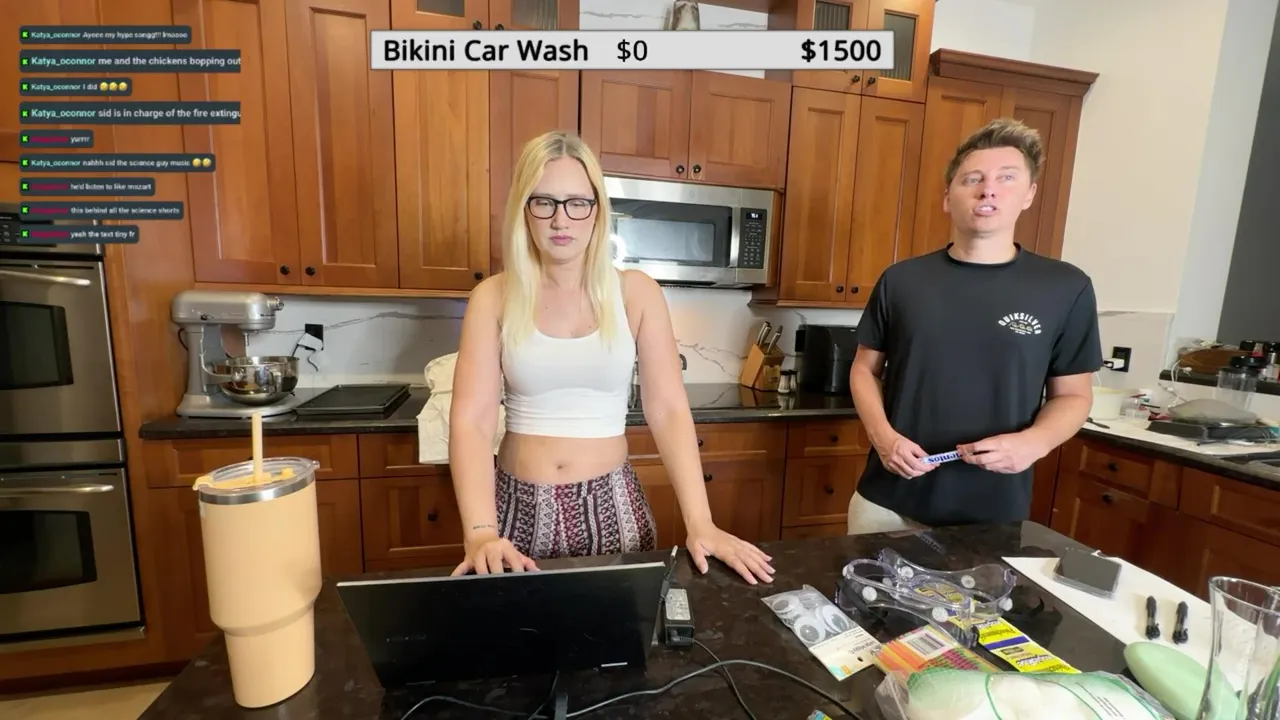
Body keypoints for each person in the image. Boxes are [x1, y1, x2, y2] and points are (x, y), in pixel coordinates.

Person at [447, 131, 774, 585]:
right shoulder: (493, 297)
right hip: (514, 514)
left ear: (598, 209)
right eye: (544, 202)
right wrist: (481, 532)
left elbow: (668, 409)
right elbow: (472, 420)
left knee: (622, 630)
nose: (561, 219)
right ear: (523, 209)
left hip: (614, 508)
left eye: (577, 203)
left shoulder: (636, 292)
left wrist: (701, 521)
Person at [847, 118, 1103, 534]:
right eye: (973, 179)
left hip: (992, 512)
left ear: (1029, 194)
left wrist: (1034, 443)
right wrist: (883, 438)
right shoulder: (902, 280)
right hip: (887, 501)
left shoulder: (1065, 287)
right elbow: (864, 369)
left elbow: (1074, 395)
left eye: (1006, 177)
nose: (988, 189)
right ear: (948, 198)